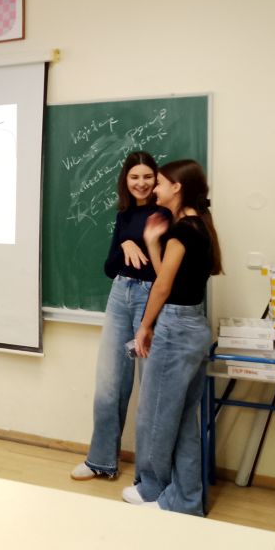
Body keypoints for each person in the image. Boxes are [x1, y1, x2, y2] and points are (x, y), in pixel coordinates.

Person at [122, 159, 222, 514]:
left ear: (177, 187)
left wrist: (144, 326)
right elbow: (170, 275)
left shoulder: (182, 232)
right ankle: (186, 501)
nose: (155, 189)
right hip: (193, 326)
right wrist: (152, 243)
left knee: (155, 416)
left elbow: (163, 287)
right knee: (181, 420)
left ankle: (151, 489)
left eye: (161, 183)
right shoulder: (199, 226)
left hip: (175, 327)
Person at [72, 151, 170, 481]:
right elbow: (109, 267)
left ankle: (152, 476)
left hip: (150, 298)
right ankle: (100, 461)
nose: (141, 183)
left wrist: (132, 244)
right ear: (125, 180)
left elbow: (163, 271)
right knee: (109, 382)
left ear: (157, 178)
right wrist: (126, 244)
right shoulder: (125, 214)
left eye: (147, 176)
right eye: (134, 177)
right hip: (120, 294)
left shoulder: (164, 214)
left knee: (152, 387)